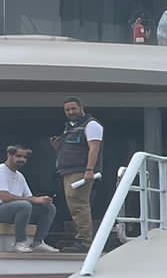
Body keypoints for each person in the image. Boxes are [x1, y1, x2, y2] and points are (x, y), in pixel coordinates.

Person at [50, 98, 102, 248]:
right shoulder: (70, 127)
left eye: (73, 109)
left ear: (81, 108)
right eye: (67, 110)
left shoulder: (91, 125)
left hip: (80, 172)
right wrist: (57, 147)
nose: (71, 112)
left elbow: (94, 148)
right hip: (68, 172)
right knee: (74, 207)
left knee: (79, 206)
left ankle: (84, 242)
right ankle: (81, 239)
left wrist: (89, 170)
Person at [1, 144, 57, 253]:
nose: (22, 159)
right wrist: (33, 200)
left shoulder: (20, 176)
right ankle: (19, 243)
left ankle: (38, 242)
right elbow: (4, 196)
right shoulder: (1, 171)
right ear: (9, 155)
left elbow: (29, 196)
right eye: (18, 156)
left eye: (24, 157)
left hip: (16, 210)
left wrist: (42, 199)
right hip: (3, 209)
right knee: (24, 205)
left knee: (49, 207)